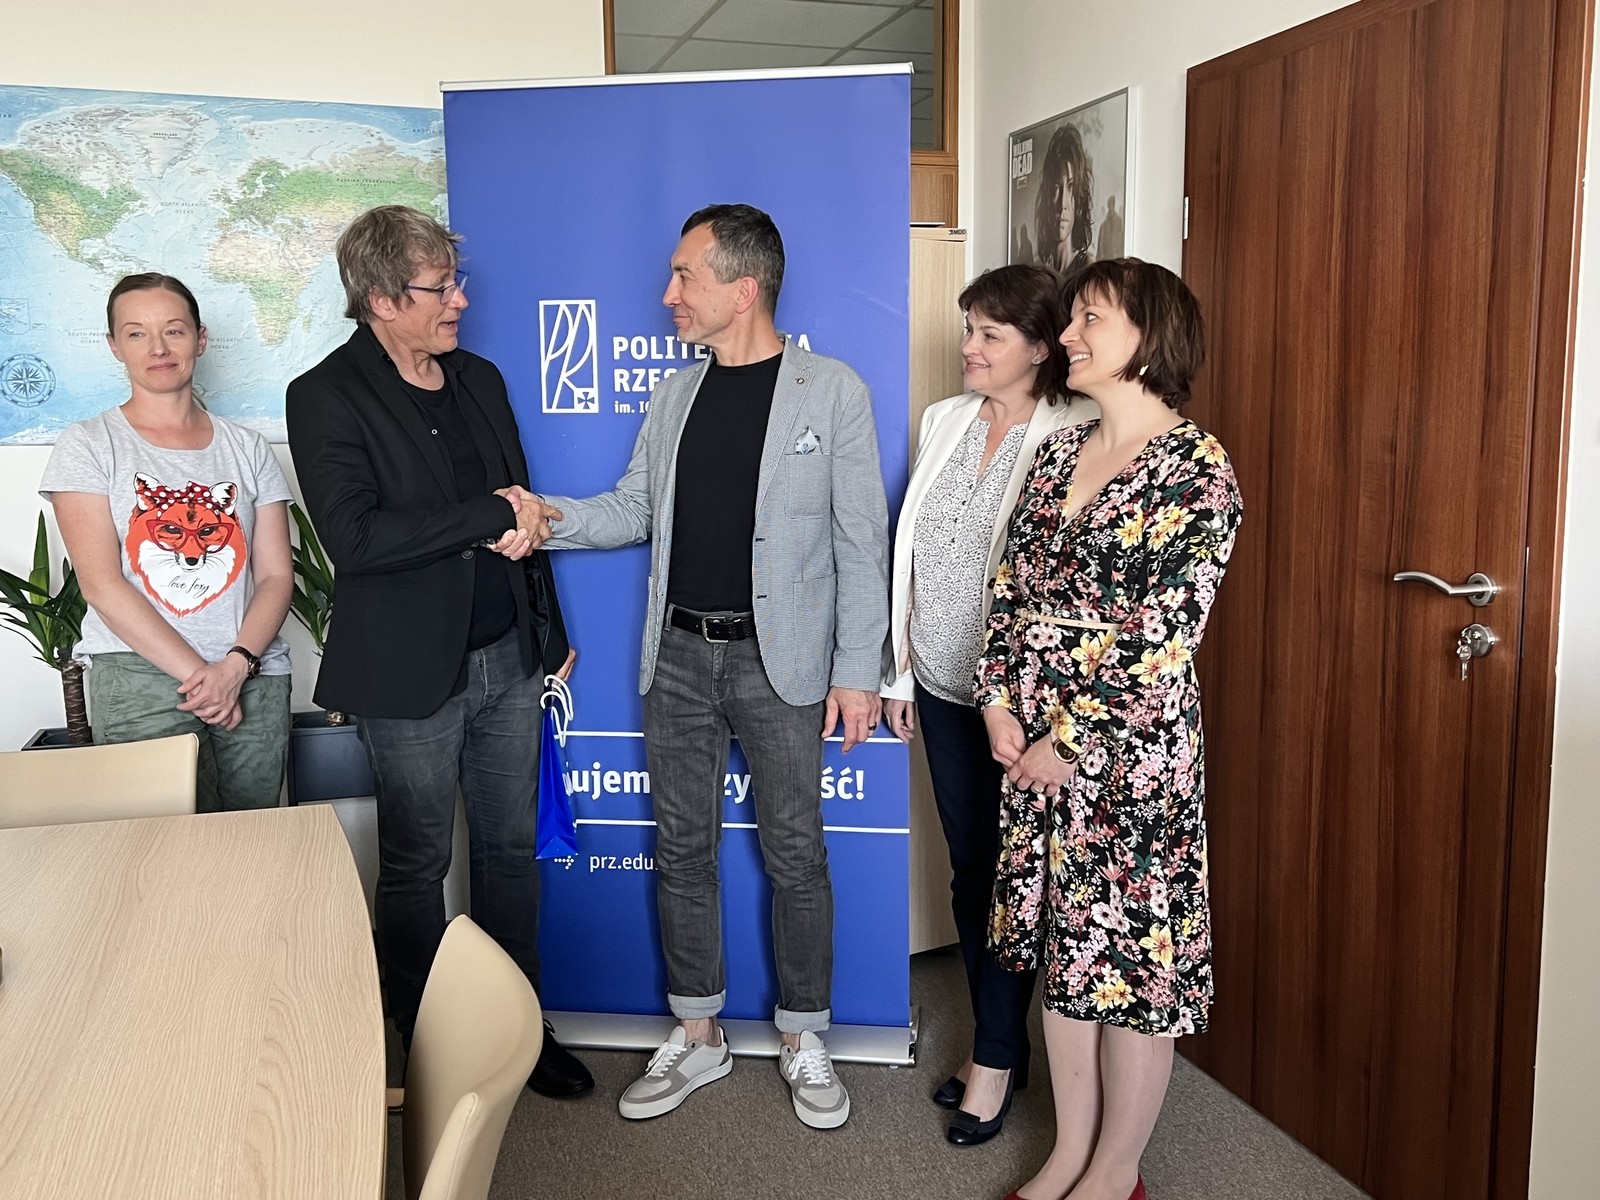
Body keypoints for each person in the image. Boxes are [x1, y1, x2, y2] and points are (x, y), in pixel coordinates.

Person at [524, 203, 890, 1130]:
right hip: (679, 658)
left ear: (744, 287)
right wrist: (543, 516)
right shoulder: (675, 394)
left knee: (796, 855)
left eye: (685, 275)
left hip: (783, 662)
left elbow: (862, 543)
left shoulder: (832, 392)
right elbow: (632, 508)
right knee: (683, 851)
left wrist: (857, 670)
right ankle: (698, 1034)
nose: (668, 294)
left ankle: (804, 1035)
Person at [284, 205, 591, 1098]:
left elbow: (522, 510)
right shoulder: (325, 394)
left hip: (509, 655)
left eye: (457, 282)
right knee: (419, 862)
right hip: (410, 671)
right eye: (440, 288)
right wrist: (485, 515)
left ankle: (518, 1030)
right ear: (382, 299)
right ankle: (426, 1041)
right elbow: (356, 539)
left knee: (508, 852)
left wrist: (550, 631)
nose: (459, 300)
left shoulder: (480, 379)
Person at [977, 259, 1243, 1200]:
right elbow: (1008, 590)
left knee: (1130, 965)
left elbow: (1166, 633)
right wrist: (998, 700)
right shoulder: (1055, 453)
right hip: (1033, 740)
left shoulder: (1198, 469)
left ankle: (1116, 1170)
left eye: (1090, 318)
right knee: (1067, 951)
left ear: (1149, 334)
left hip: (1130, 755)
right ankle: (1067, 1152)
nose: (1069, 334)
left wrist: (1071, 739)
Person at [881, 263, 1094, 1146]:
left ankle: (998, 1059)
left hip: (1029, 709)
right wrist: (901, 676)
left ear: (1040, 348)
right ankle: (997, 1044)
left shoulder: (1077, 435)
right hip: (942, 687)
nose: (967, 347)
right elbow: (911, 556)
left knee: (1022, 886)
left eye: (988, 335)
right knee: (973, 874)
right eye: (968, 329)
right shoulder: (944, 418)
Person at [41, 273, 293, 812]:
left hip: (252, 672)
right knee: (158, 849)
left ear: (200, 339)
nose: (158, 348)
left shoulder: (248, 448)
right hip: (139, 676)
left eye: (174, 330)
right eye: (136, 333)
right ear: (114, 346)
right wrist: (203, 679)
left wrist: (234, 668)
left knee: (254, 844)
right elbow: (101, 584)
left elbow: (275, 576)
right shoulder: (88, 445)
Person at [1034, 123, 1095, 276]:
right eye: (1056, 187)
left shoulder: (1088, 268)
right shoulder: (1038, 272)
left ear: (1080, 198)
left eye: (1071, 187)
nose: (1063, 204)